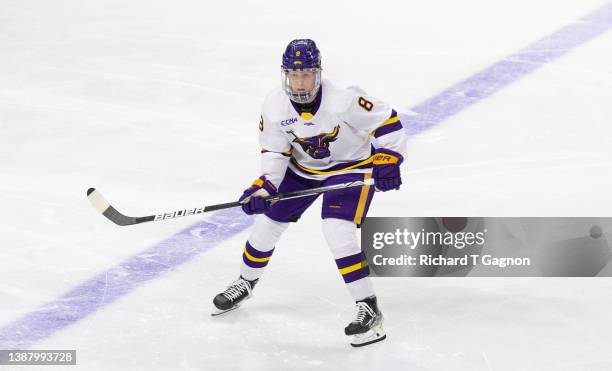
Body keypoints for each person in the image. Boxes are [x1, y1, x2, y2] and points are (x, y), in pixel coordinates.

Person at [212, 39, 406, 347]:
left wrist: (388, 158)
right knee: (266, 225)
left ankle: (369, 309)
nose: (300, 82)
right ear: (285, 75)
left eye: (306, 74)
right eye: (294, 74)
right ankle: (245, 282)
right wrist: (265, 185)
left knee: (336, 230)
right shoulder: (274, 106)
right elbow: (275, 151)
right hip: (302, 171)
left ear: (318, 74)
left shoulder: (343, 100)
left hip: (349, 168)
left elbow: (388, 121)